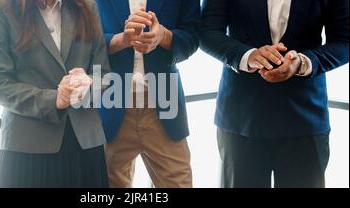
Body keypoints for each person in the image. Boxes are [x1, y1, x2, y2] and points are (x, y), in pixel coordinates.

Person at [199, 0, 349, 188]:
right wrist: (248, 56)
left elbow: (345, 41)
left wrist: (303, 62)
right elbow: (207, 31)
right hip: (242, 117)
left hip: (305, 117)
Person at [0, 0, 111, 188]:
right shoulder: (1, 7)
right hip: (28, 146)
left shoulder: (87, 6)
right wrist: (53, 99)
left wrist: (89, 84)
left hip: (85, 146)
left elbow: (104, 75)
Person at [96, 0, 200, 188]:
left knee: (179, 182)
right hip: (110, 105)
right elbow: (79, 40)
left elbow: (192, 38)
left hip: (164, 107)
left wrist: (164, 36)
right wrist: (121, 40)